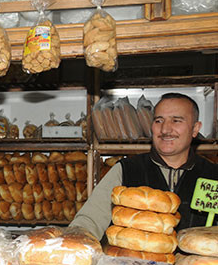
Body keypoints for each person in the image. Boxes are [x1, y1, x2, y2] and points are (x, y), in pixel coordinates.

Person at [70, 92, 218, 239]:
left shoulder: (213, 174)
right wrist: (76, 240)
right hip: (132, 255)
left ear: (195, 129)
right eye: (158, 121)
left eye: (176, 121)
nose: (165, 129)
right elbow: (89, 220)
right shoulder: (126, 170)